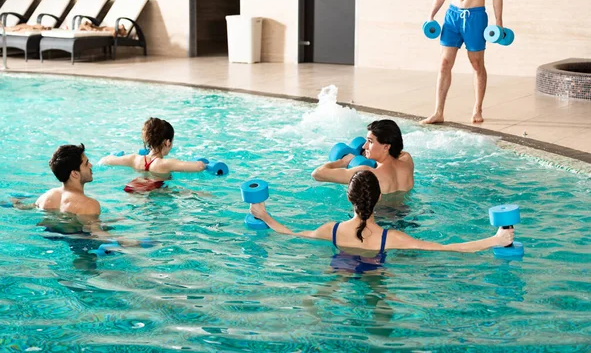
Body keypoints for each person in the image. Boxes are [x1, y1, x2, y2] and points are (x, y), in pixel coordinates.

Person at [250, 171, 513, 271]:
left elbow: (291, 233)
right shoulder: (392, 238)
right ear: (378, 199)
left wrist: (263, 214)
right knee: (381, 304)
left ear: (348, 198)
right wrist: (496, 239)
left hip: (339, 259)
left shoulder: (331, 230)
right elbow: (447, 249)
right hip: (378, 263)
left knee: (329, 289)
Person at [421, 0, 503, 125]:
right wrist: (431, 15)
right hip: (452, 16)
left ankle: (477, 109)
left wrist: (499, 22)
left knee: (476, 63)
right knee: (444, 63)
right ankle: (438, 112)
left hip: (476, 17)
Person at [99, 117, 206, 192]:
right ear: (167, 142)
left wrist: (113, 156)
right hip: (153, 194)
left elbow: (106, 160)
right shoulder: (166, 164)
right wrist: (204, 163)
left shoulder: (134, 159)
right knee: (197, 194)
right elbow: (199, 167)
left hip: (131, 189)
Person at [312, 119, 414, 194]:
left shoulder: (367, 173)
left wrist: (342, 162)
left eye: (370, 141)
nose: (364, 146)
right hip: (406, 215)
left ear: (386, 146)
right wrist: (374, 152)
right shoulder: (407, 160)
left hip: (379, 219)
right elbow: (397, 152)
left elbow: (317, 174)